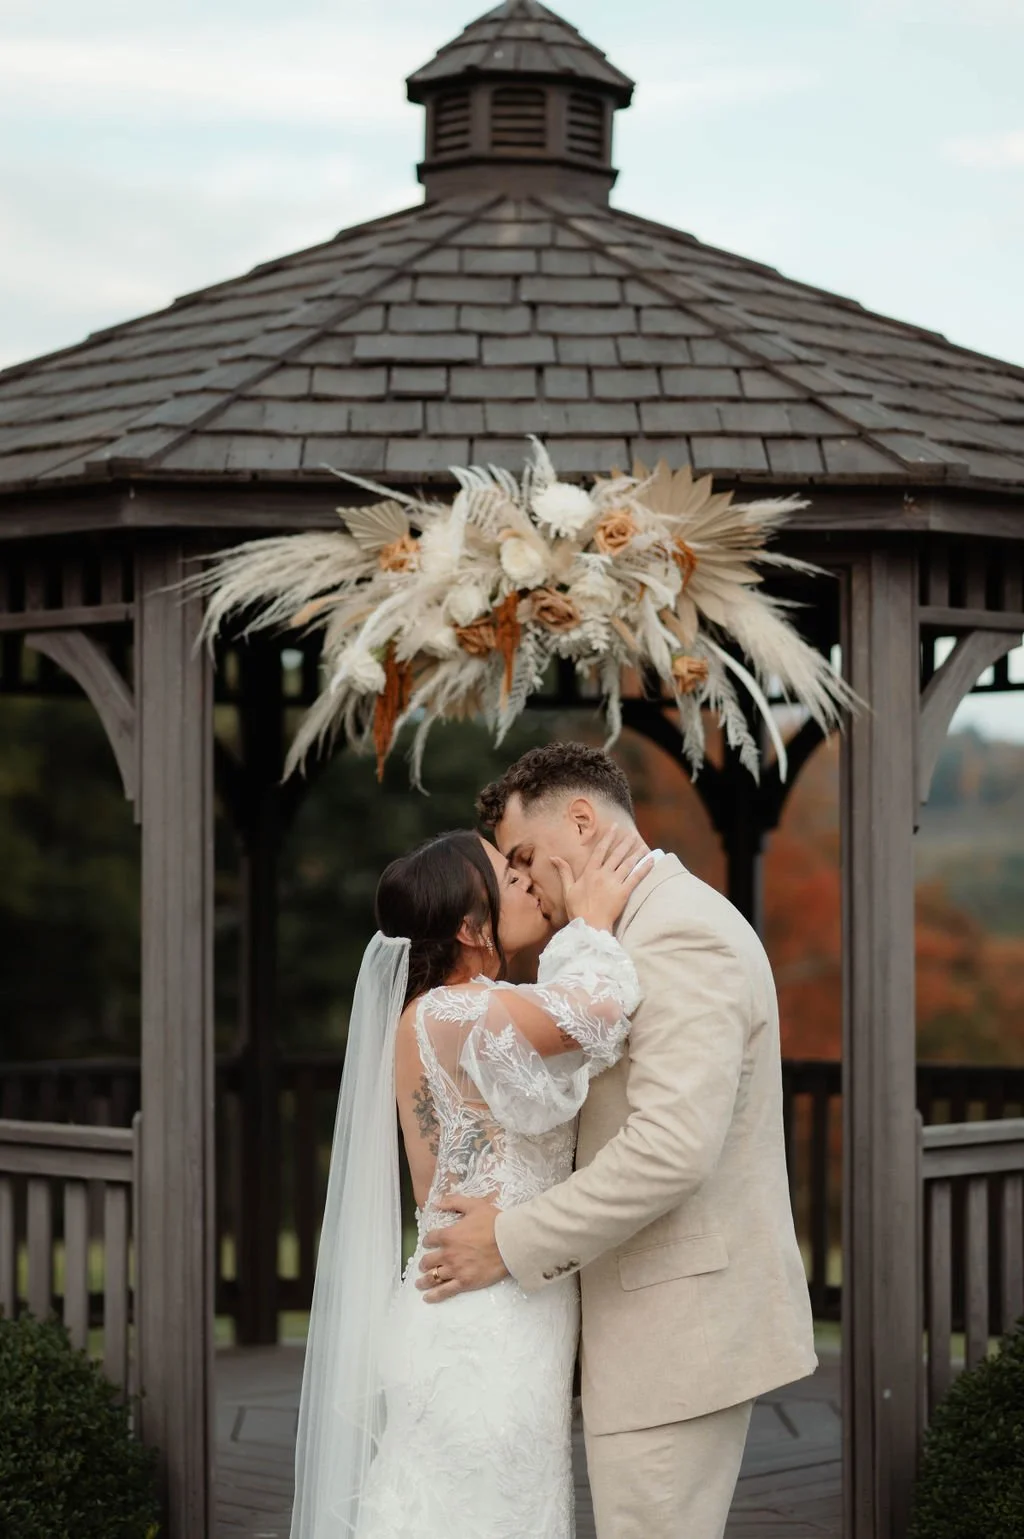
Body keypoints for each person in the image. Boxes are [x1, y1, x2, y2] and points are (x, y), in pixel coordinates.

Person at [417, 743, 818, 1539]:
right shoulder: (623, 934)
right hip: (631, 1331)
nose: (524, 882)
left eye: (527, 857)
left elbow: (670, 1147)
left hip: (675, 1338)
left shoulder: (679, 933)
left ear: (581, 818)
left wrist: (510, 1240)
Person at [289, 824, 653, 1539]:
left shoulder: (468, 1009)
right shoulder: (455, 1010)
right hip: (480, 1328)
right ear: (468, 924)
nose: (527, 880)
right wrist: (592, 923)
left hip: (506, 1310)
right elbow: (600, 1011)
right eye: (508, 876)